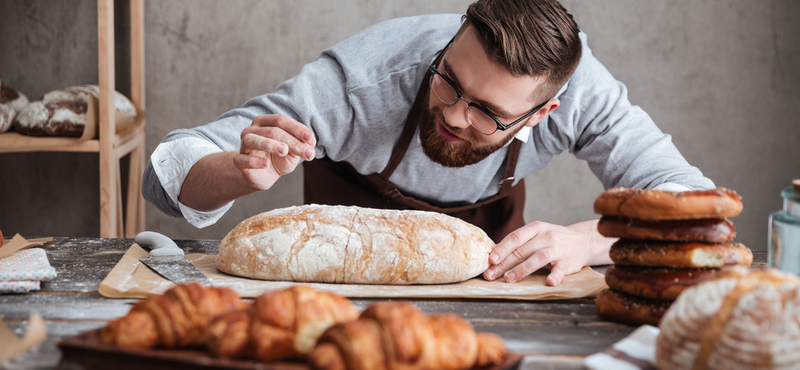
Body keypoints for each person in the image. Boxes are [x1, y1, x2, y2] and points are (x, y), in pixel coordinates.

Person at [143, 0, 714, 287]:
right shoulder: (362, 81)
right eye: (450, 81)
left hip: (487, 295)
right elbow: (166, 175)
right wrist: (242, 170)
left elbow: (691, 200)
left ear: (545, 114)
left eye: (489, 113)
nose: (456, 116)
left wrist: (587, 241)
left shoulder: (585, 93)